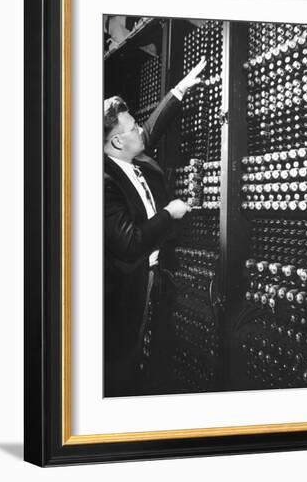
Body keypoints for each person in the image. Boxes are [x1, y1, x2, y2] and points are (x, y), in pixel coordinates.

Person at [103, 56, 207, 397]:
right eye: (131, 128)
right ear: (117, 142)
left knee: (148, 347)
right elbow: (130, 243)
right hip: (129, 286)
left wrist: (179, 90)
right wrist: (169, 213)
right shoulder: (103, 181)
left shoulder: (130, 155)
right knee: (123, 358)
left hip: (158, 273)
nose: (139, 131)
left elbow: (150, 130)